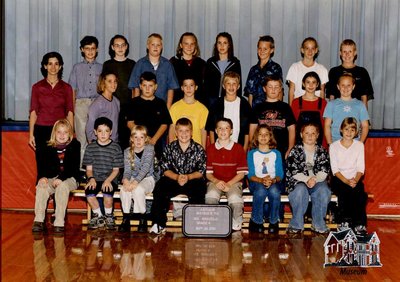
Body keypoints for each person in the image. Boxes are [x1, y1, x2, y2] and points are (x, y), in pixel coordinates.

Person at [150, 118, 207, 235]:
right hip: (173, 179)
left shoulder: (199, 149)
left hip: (192, 179)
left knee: (200, 189)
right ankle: (158, 223)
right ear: (176, 133)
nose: (184, 134)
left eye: (187, 131)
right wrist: (177, 177)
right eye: (180, 131)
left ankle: (195, 224)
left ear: (191, 133)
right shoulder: (169, 148)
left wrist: (188, 177)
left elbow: (201, 170)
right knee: (160, 188)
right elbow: (165, 169)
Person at [29, 52, 74, 181]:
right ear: (45, 66)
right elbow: (33, 112)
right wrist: (31, 134)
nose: (53, 67)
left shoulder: (66, 88)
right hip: (41, 130)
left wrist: (70, 132)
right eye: (50, 64)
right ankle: (41, 199)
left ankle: (57, 199)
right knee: (43, 168)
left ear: (60, 67)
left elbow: (70, 112)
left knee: (58, 168)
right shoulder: (37, 87)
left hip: (59, 132)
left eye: (56, 64)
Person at [31, 119, 80, 234]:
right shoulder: (48, 146)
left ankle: (59, 221)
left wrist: (61, 179)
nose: (62, 135)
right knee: (41, 186)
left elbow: (72, 168)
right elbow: (42, 164)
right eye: (59, 132)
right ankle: (39, 220)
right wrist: (42, 177)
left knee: (62, 186)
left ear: (70, 134)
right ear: (54, 133)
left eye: (65, 132)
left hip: (70, 178)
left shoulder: (75, 145)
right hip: (53, 177)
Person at [285, 122, 331, 234]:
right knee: (300, 190)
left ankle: (318, 223)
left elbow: (324, 170)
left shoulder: (322, 151)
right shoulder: (295, 150)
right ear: (301, 135)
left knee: (323, 190)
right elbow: (293, 170)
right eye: (307, 133)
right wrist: (306, 180)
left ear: (318, 135)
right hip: (298, 181)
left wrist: (314, 179)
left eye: (313, 133)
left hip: (317, 181)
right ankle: (296, 224)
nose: (310, 136)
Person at [205, 118, 247, 231]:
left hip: (233, 181)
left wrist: (229, 184)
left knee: (235, 199)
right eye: (220, 128)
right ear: (215, 131)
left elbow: (241, 174)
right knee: (210, 197)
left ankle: (236, 221)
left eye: (226, 128)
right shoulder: (210, 149)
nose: (223, 131)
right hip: (215, 181)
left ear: (231, 131)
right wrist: (216, 181)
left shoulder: (238, 149)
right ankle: (214, 222)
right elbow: (208, 174)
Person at [83, 117, 124, 230]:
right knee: (89, 193)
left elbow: (116, 170)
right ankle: (98, 216)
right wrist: (91, 178)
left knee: (107, 192)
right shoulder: (90, 147)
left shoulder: (116, 147)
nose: (103, 134)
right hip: (95, 179)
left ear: (111, 132)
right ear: (95, 132)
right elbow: (89, 169)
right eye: (100, 131)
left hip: (110, 179)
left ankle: (109, 215)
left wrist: (108, 180)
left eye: (106, 131)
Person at [329, 117, 368, 235]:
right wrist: (346, 181)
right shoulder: (334, 146)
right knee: (345, 191)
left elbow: (361, 168)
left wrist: (355, 180)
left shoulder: (359, 145)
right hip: (339, 179)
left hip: (354, 178)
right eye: (346, 129)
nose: (349, 133)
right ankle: (343, 222)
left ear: (356, 132)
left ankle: (359, 224)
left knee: (360, 194)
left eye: (352, 130)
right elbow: (335, 170)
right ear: (341, 130)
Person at [68, 36, 103, 164]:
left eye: (93, 48)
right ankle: (82, 169)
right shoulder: (77, 68)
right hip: (81, 104)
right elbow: (72, 89)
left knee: (96, 135)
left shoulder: (101, 67)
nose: (90, 51)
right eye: (87, 48)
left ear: (97, 50)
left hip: (97, 103)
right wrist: (72, 109)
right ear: (82, 50)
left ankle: (96, 168)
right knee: (82, 136)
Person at [247, 124, 284, 234]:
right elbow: (250, 174)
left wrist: (272, 181)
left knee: (275, 192)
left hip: (272, 181)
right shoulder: (252, 153)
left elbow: (280, 174)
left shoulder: (276, 153)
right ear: (256, 137)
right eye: (260, 134)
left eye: (266, 134)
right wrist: (261, 180)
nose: (263, 137)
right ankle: (256, 221)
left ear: (270, 137)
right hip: (256, 181)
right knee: (260, 191)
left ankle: (274, 221)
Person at [119, 125, 156, 233]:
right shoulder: (127, 151)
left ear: (145, 139)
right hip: (132, 178)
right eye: (136, 137)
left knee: (138, 189)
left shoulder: (150, 149)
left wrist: (135, 183)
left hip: (148, 178)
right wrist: (125, 181)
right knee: (124, 189)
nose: (138, 140)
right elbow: (127, 170)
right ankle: (126, 218)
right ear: (131, 139)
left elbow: (145, 168)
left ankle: (142, 218)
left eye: (141, 137)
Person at [126, 71, 172, 159]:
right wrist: (142, 138)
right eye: (144, 85)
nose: (147, 89)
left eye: (150, 86)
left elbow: (164, 124)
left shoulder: (161, 103)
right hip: (137, 143)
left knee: (155, 168)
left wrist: (153, 140)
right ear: (140, 86)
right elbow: (130, 123)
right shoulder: (133, 102)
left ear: (155, 87)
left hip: (155, 143)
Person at [249, 75, 296, 160]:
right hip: (261, 150)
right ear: (264, 89)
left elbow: (292, 129)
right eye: (270, 87)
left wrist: (290, 148)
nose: (273, 90)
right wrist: (252, 147)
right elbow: (252, 129)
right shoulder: (258, 107)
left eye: (276, 87)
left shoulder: (286, 107)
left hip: (281, 150)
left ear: (280, 89)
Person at [102, 34, 136, 149]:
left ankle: (126, 165)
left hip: (128, 106)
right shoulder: (108, 64)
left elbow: (135, 87)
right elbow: (104, 85)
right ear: (112, 47)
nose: (120, 48)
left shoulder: (132, 64)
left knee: (127, 136)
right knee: (112, 134)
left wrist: (134, 105)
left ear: (126, 47)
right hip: (112, 105)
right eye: (117, 45)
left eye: (122, 45)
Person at [128, 33, 179, 109]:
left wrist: (168, 109)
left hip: (161, 108)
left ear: (161, 47)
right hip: (143, 108)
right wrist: (136, 108)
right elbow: (136, 88)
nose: (156, 47)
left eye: (158, 45)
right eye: (153, 44)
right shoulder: (140, 64)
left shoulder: (167, 65)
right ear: (147, 46)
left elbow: (171, 89)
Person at [206, 71, 251, 151]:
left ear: (238, 86)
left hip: (238, 146)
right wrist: (214, 148)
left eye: (234, 84)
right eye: (228, 83)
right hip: (219, 146)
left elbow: (246, 131)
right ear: (223, 86)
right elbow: (211, 129)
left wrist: (243, 150)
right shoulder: (216, 104)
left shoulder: (244, 104)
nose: (231, 86)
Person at [327, 39, 374, 109]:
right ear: (340, 53)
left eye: (350, 51)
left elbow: (364, 98)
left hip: (356, 112)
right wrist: (331, 116)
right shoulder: (334, 72)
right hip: (338, 111)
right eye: (344, 51)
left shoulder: (362, 72)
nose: (347, 54)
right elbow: (332, 97)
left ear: (355, 53)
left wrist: (364, 117)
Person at [323, 73, 369, 145]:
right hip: (336, 143)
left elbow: (365, 126)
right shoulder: (331, 104)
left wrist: (360, 143)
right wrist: (330, 144)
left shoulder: (360, 105)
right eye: (343, 85)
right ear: (338, 87)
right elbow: (327, 125)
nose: (345, 88)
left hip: (354, 143)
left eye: (348, 85)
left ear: (353, 86)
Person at [286, 37, 328, 105]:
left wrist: (322, 110)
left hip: (316, 106)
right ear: (302, 50)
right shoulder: (294, 67)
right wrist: (291, 110)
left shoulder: (322, 69)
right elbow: (291, 91)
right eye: (307, 48)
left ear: (316, 50)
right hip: (299, 106)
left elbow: (322, 91)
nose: (310, 51)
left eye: (312, 48)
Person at [204, 32, 242, 109]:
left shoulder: (235, 63)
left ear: (229, 45)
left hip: (229, 100)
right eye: (219, 43)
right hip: (212, 101)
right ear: (216, 45)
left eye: (225, 43)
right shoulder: (210, 62)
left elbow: (238, 84)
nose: (222, 46)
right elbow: (206, 85)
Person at [244, 35, 283, 107]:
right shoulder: (253, 69)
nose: (262, 51)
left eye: (265, 49)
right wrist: (249, 112)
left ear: (271, 50)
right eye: (260, 48)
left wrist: (278, 109)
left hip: (270, 109)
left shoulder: (276, 68)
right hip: (255, 110)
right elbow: (250, 94)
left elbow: (279, 91)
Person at [291, 71, 327, 146]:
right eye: (308, 82)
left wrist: (325, 145)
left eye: (313, 82)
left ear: (317, 84)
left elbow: (325, 126)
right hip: (299, 144)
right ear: (303, 83)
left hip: (319, 144)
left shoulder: (323, 103)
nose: (311, 85)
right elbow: (293, 127)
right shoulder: (295, 102)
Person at [170, 32, 206, 104]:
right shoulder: (172, 63)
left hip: (197, 104)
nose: (189, 47)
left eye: (192, 44)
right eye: (186, 44)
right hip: (178, 104)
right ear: (181, 45)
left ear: (195, 46)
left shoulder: (201, 63)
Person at [86, 70, 120, 143]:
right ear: (103, 83)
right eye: (110, 81)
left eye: (115, 81)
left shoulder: (117, 101)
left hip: (114, 143)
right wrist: (92, 145)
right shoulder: (97, 104)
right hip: (100, 143)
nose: (113, 84)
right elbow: (89, 128)